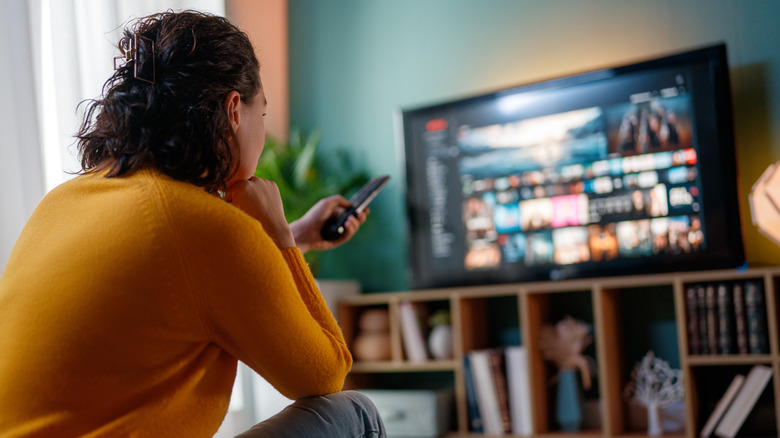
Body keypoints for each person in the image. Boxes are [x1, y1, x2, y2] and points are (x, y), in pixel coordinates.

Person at [0, 10, 385, 438]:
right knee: (356, 411)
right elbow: (325, 373)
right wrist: (277, 236)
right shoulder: (202, 230)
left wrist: (298, 234)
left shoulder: (64, 201)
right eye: (263, 115)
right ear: (234, 110)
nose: (262, 128)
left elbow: (179, 276)